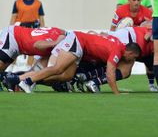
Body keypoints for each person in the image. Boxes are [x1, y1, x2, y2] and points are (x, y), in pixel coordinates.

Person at [10, 31, 141, 94]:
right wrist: (117, 93)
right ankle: (26, 82)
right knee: (57, 68)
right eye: (134, 57)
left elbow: (102, 36)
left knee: (67, 76)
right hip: (78, 40)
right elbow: (110, 73)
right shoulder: (117, 50)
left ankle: (23, 80)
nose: (132, 60)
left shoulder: (117, 43)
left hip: (80, 44)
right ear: (129, 53)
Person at [0, 26, 66, 72]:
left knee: (3, 67)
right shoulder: (54, 40)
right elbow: (37, 45)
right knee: (1, 64)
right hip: (13, 36)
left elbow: (64, 32)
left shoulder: (57, 32)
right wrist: (55, 43)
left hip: (20, 43)